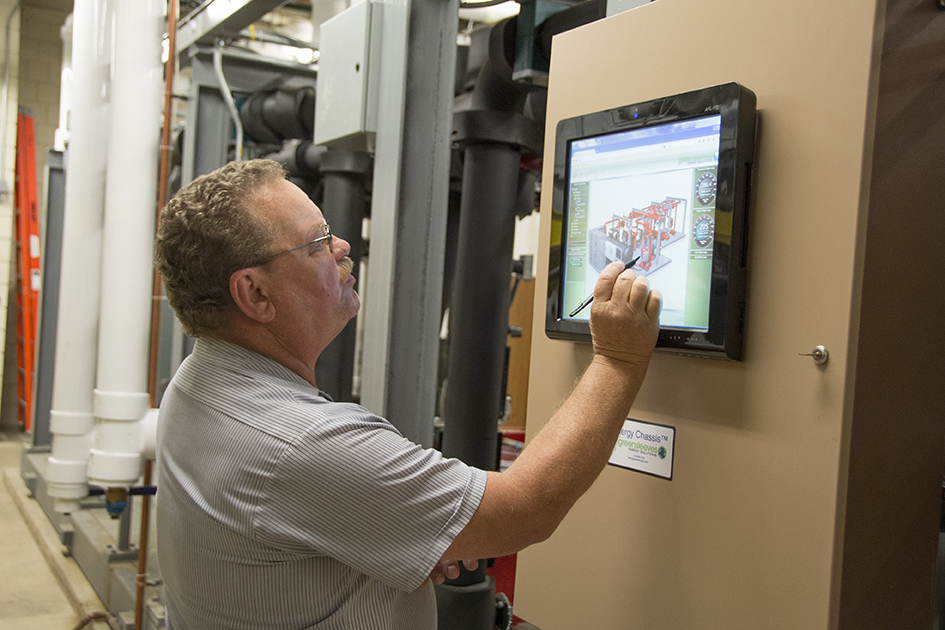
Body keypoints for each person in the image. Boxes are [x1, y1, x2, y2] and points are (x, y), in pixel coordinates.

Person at [153, 158, 661, 630]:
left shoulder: (194, 384)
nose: (343, 246)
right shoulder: (304, 442)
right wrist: (619, 361)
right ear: (255, 294)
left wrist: (396, 542)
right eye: (316, 243)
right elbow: (526, 510)